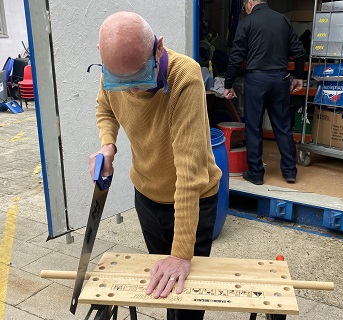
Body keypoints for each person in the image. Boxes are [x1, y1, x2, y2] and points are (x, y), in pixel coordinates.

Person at [89, 11, 222, 320]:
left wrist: (180, 254)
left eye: (138, 77)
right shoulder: (113, 72)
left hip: (193, 200)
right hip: (147, 197)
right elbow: (105, 107)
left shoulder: (184, 77)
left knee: (185, 298)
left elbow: (189, 173)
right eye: (122, 81)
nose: (132, 89)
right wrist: (108, 145)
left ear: (158, 48)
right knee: (165, 287)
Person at [224, 0, 306, 185]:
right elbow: (299, 51)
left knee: (253, 127)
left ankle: (256, 173)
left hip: (257, 80)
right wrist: (298, 77)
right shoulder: (282, 20)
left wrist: (228, 85)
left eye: (245, 7)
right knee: (283, 126)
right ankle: (289, 172)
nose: (246, 11)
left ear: (250, 3)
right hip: (280, 80)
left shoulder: (247, 23)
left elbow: (236, 57)